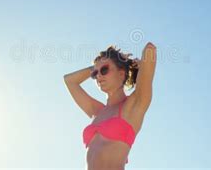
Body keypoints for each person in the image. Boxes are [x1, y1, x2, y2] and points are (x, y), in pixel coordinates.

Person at [64, 42, 157, 170]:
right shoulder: (97, 111)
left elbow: (150, 49)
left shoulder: (132, 106)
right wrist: (95, 67)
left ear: (121, 73)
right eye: (95, 74)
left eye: (104, 70)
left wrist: (138, 65)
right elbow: (69, 80)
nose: (99, 76)